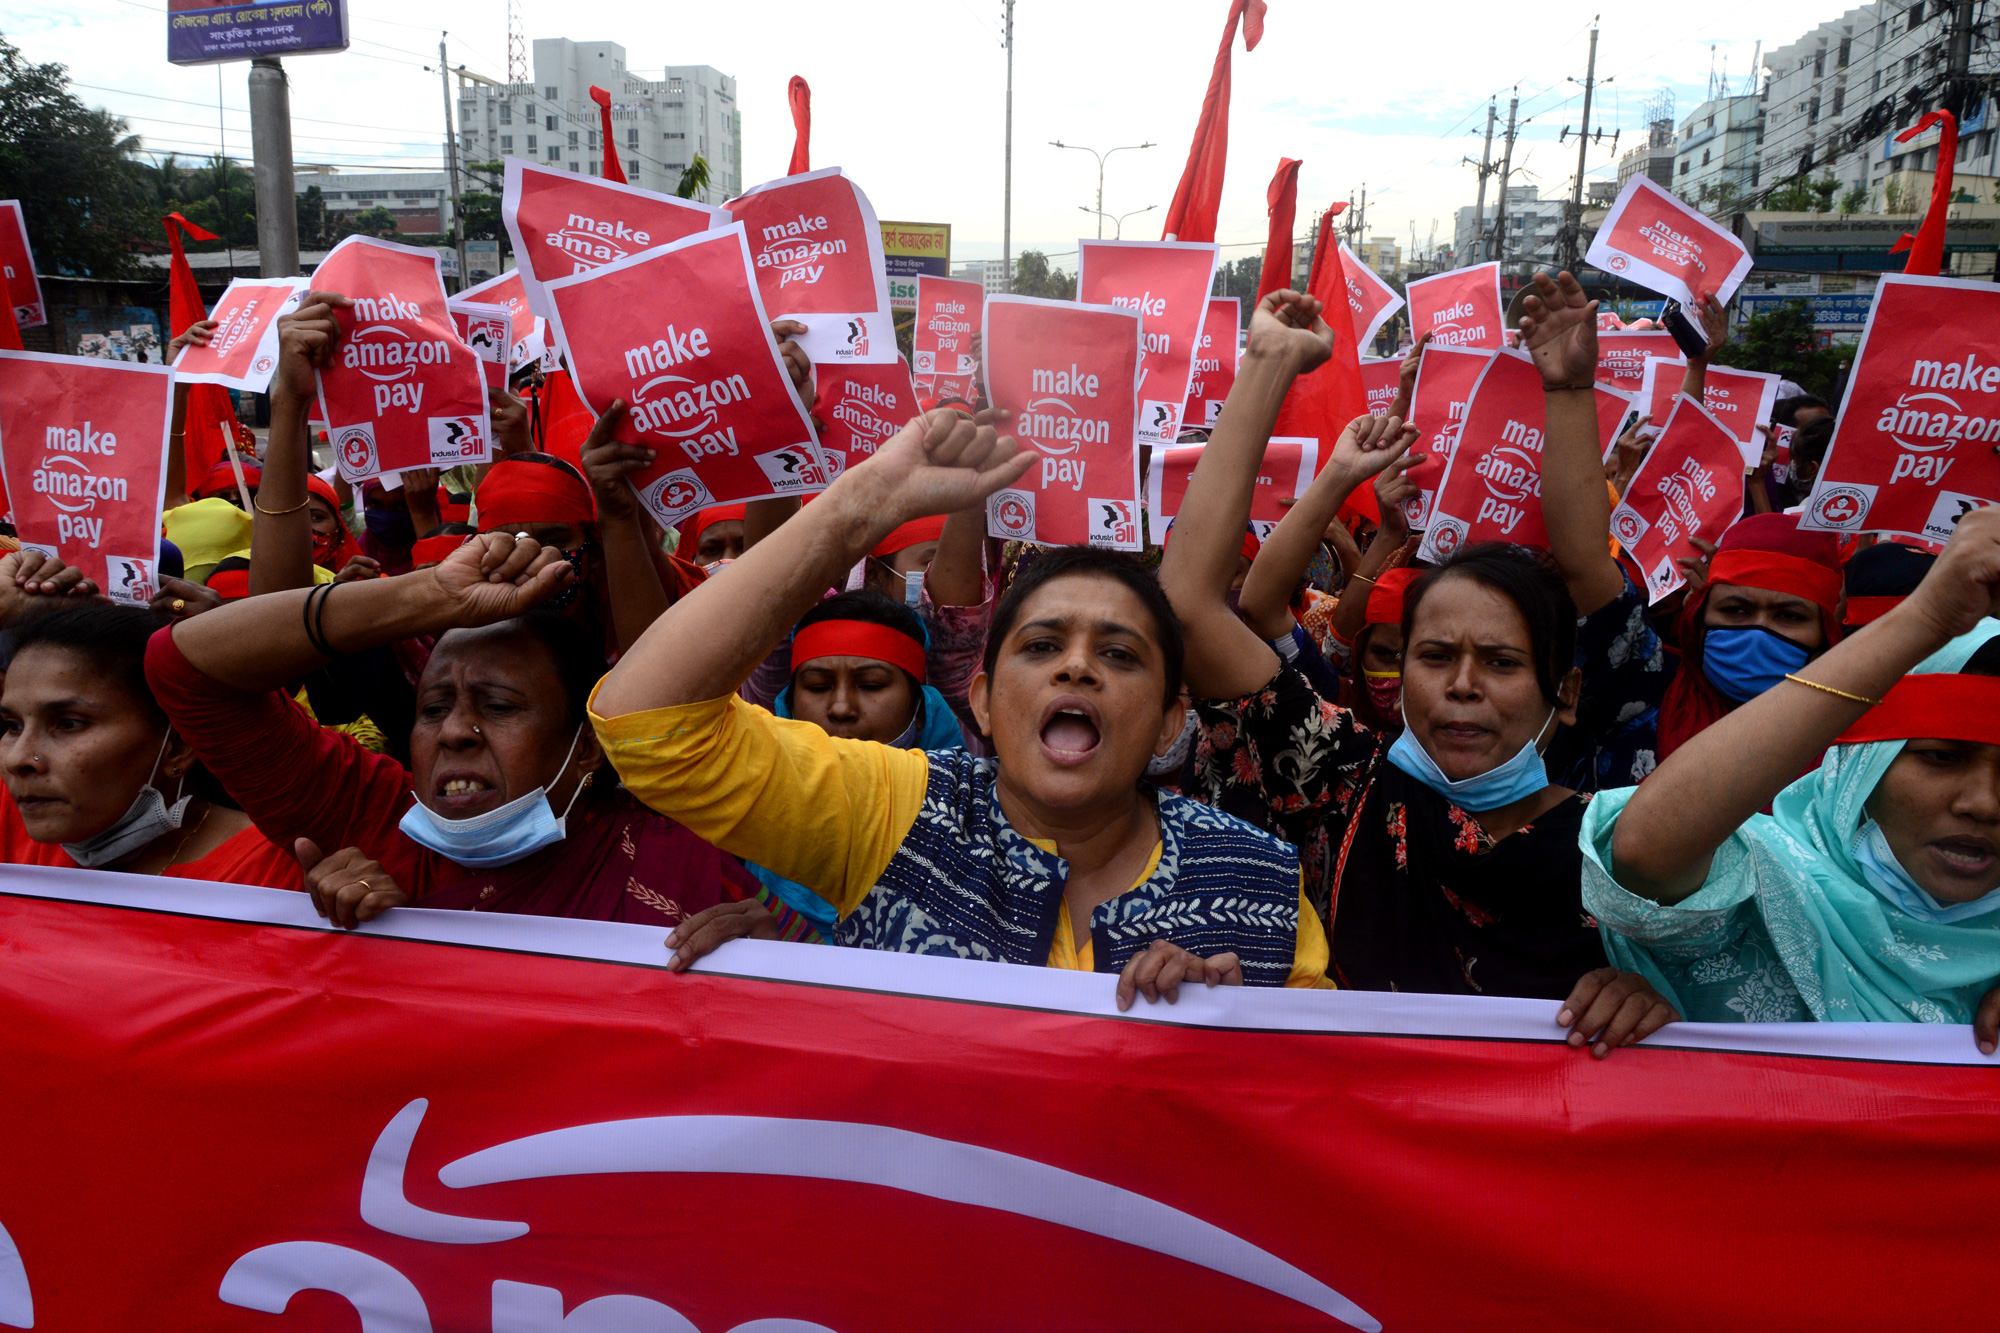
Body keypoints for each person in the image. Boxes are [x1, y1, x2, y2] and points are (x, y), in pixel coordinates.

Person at [590, 406, 1331, 1005]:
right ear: (979, 699)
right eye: (1042, 647)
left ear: (1173, 720)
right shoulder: (892, 811)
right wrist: (857, 508)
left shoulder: (1256, 874)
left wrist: (1244, 1032)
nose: (1076, 665)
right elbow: (647, 722)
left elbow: (1327, 1106)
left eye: (1118, 653)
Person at [1158, 288, 1673, 1054]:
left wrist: (1661, 997)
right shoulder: (1342, 783)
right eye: (1434, 655)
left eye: (1500, 661)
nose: (1462, 684)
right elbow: (1191, 602)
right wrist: (1268, 363)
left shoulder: (1629, 848)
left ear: (1565, 692)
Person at [143, 534, 759, 931]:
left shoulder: (681, 861)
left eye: (498, 706)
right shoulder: (368, 818)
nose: (455, 732)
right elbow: (183, 668)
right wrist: (427, 594)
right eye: (433, 708)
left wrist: (765, 961)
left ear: (588, 745)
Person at [1584, 507, 2000, 1047]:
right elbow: (1642, 851)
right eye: (1942, 758)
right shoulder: (1763, 878)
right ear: (1862, 768)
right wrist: (1928, 618)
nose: (1984, 804)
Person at [0, 567, 300, 888]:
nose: (17, 760)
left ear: (178, 746)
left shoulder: (284, 877)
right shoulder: (15, 821)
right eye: (13, 725)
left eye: (68, 724)